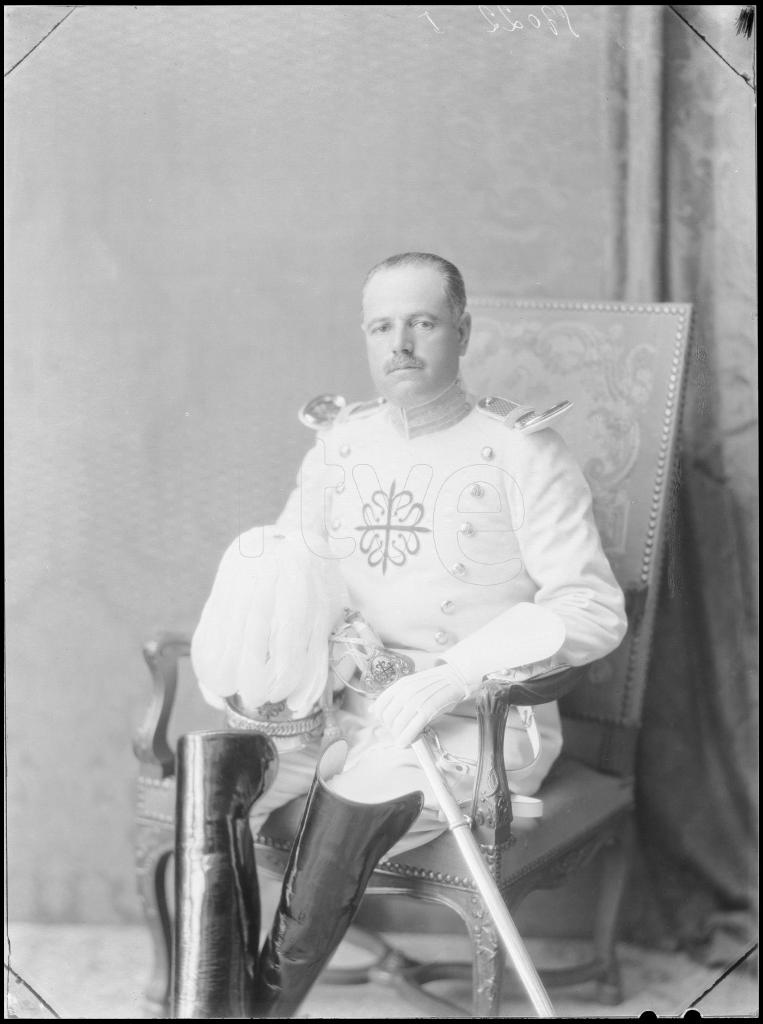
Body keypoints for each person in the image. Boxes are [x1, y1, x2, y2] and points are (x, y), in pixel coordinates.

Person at [180, 252, 628, 1018]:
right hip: (338, 700)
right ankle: (209, 1003)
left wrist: (457, 675)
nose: (401, 345)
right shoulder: (338, 446)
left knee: (361, 784)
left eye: (421, 323)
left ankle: (253, 1012)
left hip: (470, 720)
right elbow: (290, 573)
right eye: (382, 326)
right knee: (214, 775)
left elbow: (592, 609)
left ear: (460, 330)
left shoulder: (524, 452)